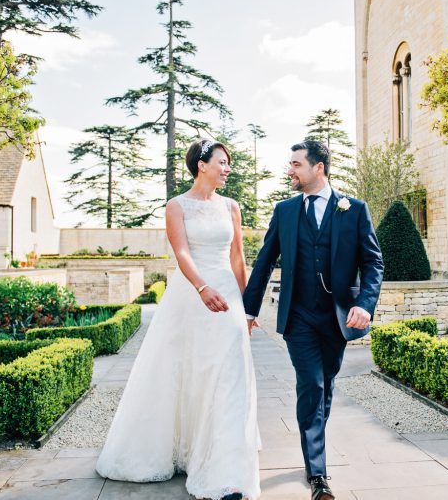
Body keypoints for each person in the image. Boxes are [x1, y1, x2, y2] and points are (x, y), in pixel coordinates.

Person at [96, 139, 261, 500]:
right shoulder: (176, 206)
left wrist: (248, 307)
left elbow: (237, 259)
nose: (227, 168)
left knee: (228, 375)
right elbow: (181, 251)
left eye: (228, 162)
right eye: (222, 161)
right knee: (185, 371)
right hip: (191, 296)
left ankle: (226, 472)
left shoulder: (232, 207)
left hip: (229, 299)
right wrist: (202, 288)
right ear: (202, 165)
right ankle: (187, 448)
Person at [243, 141, 384, 500]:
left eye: (295, 164)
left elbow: (373, 263)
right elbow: (264, 261)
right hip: (299, 317)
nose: (290, 170)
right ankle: (319, 477)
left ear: (318, 168)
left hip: (337, 317)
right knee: (312, 385)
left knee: (326, 385)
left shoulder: (353, 209)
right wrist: (248, 309)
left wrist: (365, 304)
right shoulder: (285, 211)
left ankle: (312, 446)